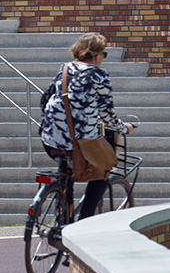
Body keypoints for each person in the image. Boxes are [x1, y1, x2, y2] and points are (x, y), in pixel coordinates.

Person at [39, 32, 136, 218]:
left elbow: (45, 99)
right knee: (103, 168)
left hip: (50, 139)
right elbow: (107, 113)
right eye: (104, 54)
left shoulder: (65, 68)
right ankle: (85, 218)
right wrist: (125, 128)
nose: (103, 59)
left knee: (66, 166)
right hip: (81, 142)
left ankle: (62, 213)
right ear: (95, 54)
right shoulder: (99, 74)